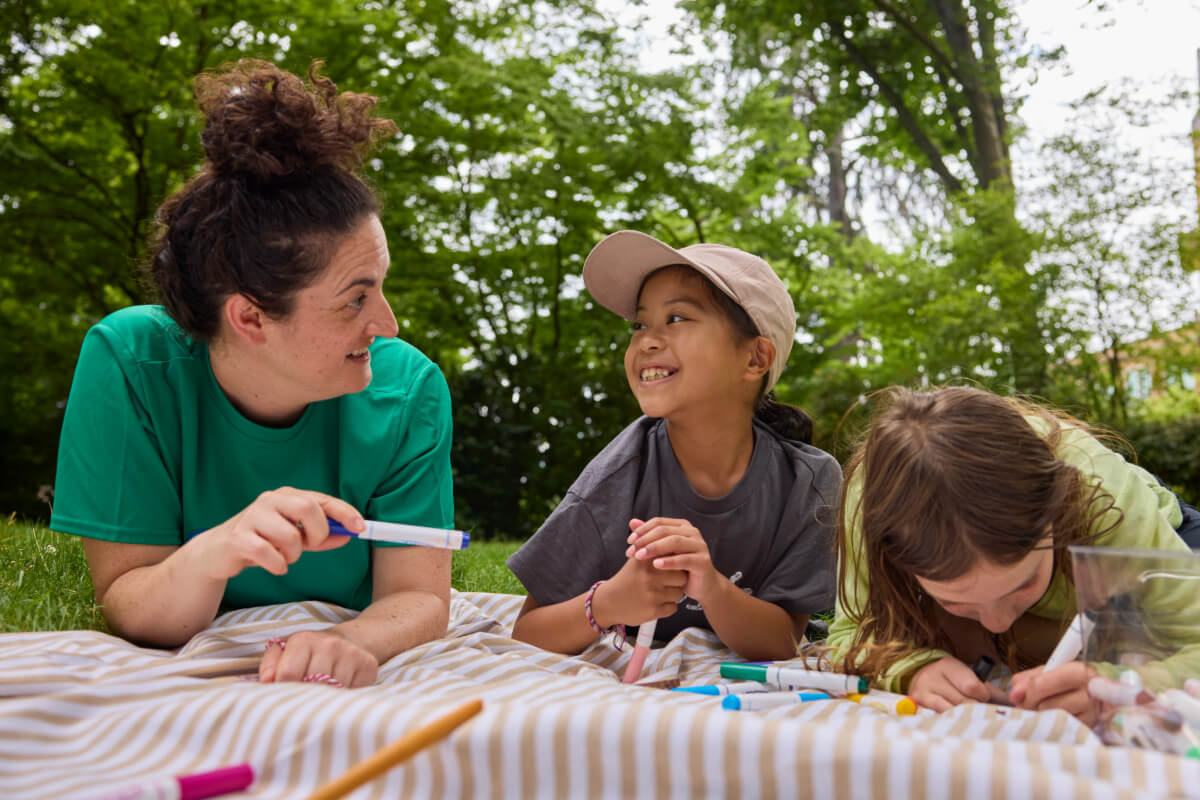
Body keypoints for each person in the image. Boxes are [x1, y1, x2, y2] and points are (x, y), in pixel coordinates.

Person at [49, 60, 453, 689]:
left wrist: (347, 642)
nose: (389, 324)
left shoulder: (408, 391)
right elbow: (132, 603)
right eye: (356, 298)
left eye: (381, 286)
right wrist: (218, 550)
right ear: (250, 317)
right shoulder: (130, 361)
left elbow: (418, 596)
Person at [507, 231, 841, 661]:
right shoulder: (615, 478)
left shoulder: (808, 483)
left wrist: (711, 586)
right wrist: (607, 603)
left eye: (677, 318)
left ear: (755, 358)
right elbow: (526, 634)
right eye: (639, 324)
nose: (646, 340)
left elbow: (782, 643)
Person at [827, 385, 1200, 723]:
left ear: (1056, 516)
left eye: (1023, 583)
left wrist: (1114, 683)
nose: (998, 624)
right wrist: (911, 669)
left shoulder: (1103, 495)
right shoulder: (872, 503)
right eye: (956, 601)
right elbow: (849, 634)